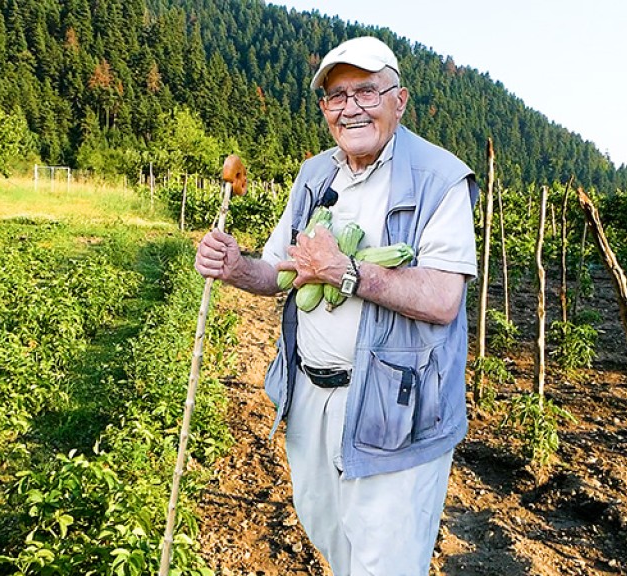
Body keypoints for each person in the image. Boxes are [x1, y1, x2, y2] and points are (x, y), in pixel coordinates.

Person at [194, 36, 479, 575]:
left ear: (400, 99)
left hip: (395, 408)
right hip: (311, 396)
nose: (350, 107)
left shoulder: (441, 178)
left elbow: (443, 299)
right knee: (330, 537)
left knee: (385, 562)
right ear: (324, 109)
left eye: (366, 91)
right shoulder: (315, 175)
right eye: (335, 95)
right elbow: (277, 271)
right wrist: (234, 265)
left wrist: (345, 273)